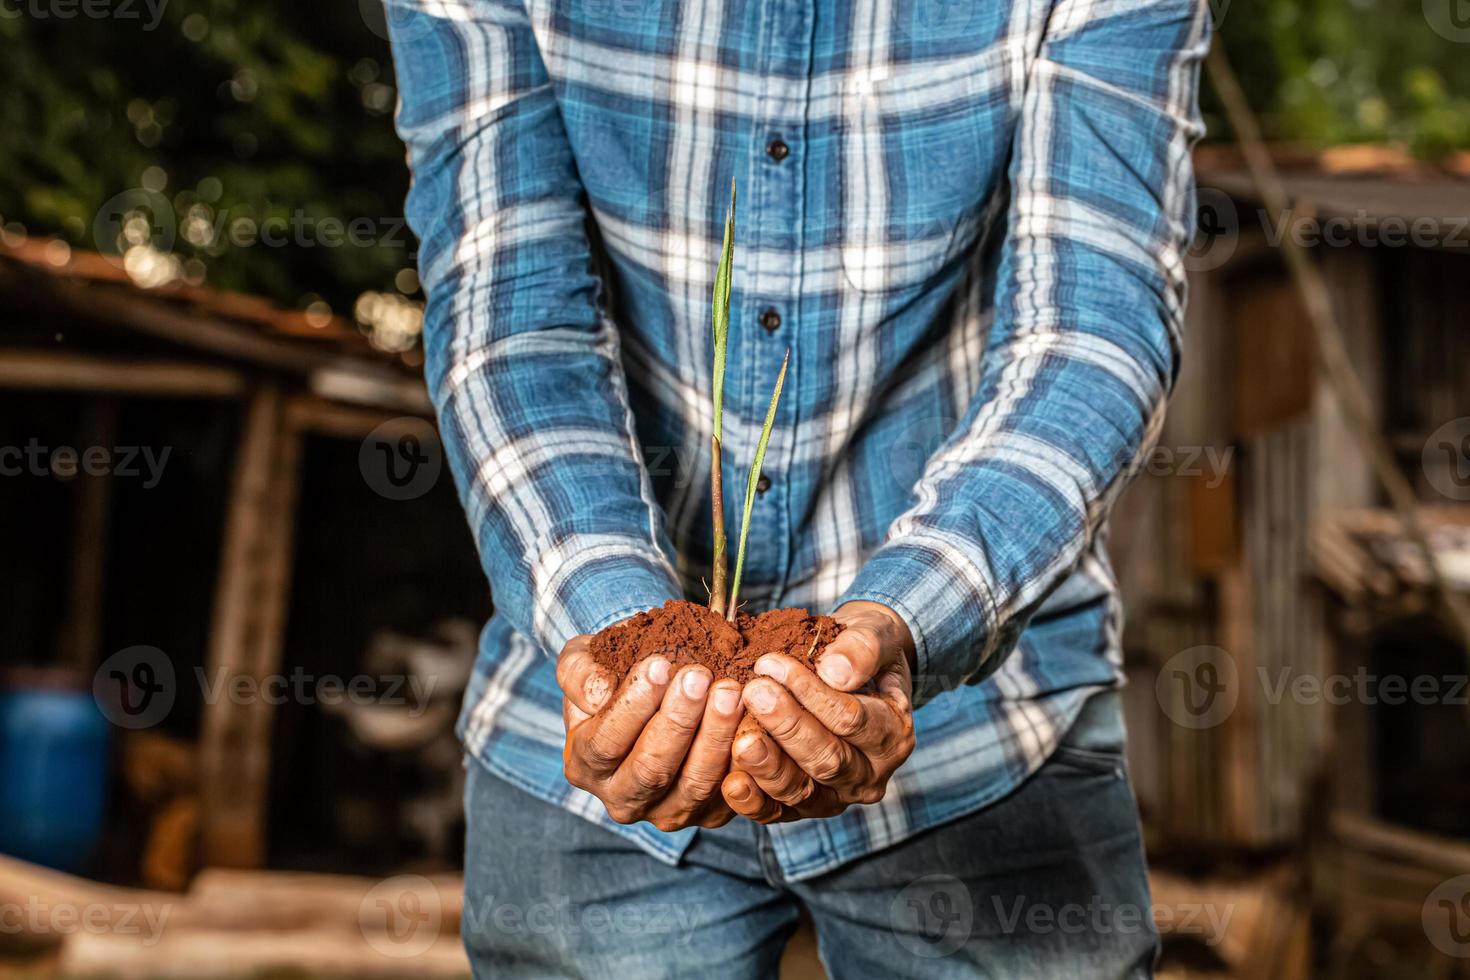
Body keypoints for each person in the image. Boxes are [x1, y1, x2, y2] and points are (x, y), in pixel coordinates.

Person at [388, 0, 1208, 975]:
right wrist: (620, 643)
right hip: (589, 757)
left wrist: (908, 619)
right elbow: (509, 313)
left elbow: (1089, 327)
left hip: (987, 734)